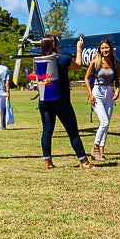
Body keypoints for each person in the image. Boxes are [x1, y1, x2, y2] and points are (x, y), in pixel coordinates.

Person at [30, 36, 91, 169]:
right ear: (54, 45)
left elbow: (39, 81)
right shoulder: (64, 58)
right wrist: (79, 49)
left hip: (45, 101)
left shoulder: (40, 61)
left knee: (47, 131)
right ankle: (84, 161)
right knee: (73, 132)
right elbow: (78, 67)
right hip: (62, 102)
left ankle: (48, 162)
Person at [76, 38, 120, 161]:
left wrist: (117, 89)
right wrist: (90, 94)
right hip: (97, 92)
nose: (105, 50)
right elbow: (86, 78)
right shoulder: (95, 62)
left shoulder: (115, 63)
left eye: (106, 47)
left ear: (111, 48)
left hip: (109, 93)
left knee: (106, 124)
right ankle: (95, 148)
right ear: (99, 50)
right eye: (102, 48)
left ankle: (101, 151)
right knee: (104, 122)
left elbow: (117, 80)